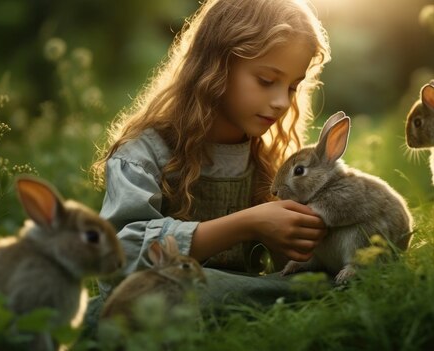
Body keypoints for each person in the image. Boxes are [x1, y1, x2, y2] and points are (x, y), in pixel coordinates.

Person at [89, 0, 331, 314]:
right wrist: (248, 224)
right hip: (157, 300)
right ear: (216, 66)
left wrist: (299, 239)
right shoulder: (143, 154)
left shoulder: (270, 161)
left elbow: (285, 266)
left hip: (237, 299)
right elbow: (116, 261)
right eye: (267, 81)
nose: (281, 102)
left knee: (324, 284)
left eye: (293, 87)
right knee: (165, 293)